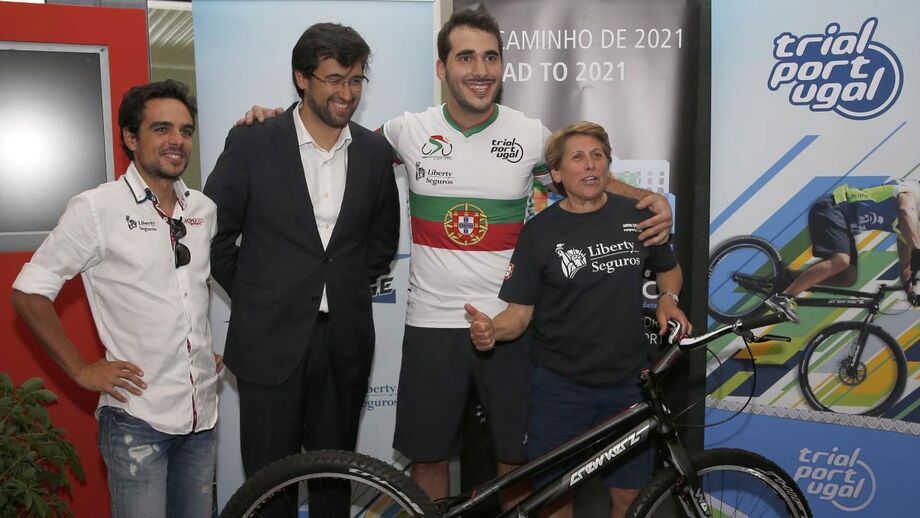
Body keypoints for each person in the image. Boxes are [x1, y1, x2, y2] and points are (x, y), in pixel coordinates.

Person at [238, 8, 674, 506]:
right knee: (428, 460)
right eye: (466, 57)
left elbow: (587, 174)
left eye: (491, 57)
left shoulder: (530, 133)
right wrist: (276, 119)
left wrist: (648, 199)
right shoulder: (407, 130)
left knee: (517, 462)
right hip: (430, 325)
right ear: (442, 68)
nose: (480, 70)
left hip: (510, 324)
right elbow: (333, 135)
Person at [203, 23, 399, 517]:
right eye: (334, 79)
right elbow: (213, 236)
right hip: (269, 340)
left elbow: (381, 243)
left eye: (355, 80)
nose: (346, 93)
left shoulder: (375, 153)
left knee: (335, 481)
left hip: (344, 343)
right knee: (270, 484)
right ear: (302, 78)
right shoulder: (253, 142)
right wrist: (260, 294)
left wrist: (341, 287)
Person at [11, 80, 220, 518]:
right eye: (161, 128)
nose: (177, 140)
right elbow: (30, 292)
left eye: (185, 131)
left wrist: (200, 351)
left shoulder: (203, 210)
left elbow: (190, 294)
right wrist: (81, 369)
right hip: (136, 420)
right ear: (130, 137)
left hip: (202, 418)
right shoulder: (96, 208)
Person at [466, 121, 690, 518]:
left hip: (628, 386)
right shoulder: (539, 232)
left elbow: (668, 268)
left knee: (630, 498)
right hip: (561, 389)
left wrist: (668, 299)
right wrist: (490, 330)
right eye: (578, 157)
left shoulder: (636, 216)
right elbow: (518, 315)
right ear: (556, 173)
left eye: (597, 155)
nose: (590, 164)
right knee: (556, 501)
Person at [766, 180, 920, 323]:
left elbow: (905, 268)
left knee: (848, 278)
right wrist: (916, 250)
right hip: (833, 207)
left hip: (844, 224)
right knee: (840, 261)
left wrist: (910, 293)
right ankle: (785, 297)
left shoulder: (910, 227)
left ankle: (789, 279)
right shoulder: (911, 191)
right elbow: (905, 209)